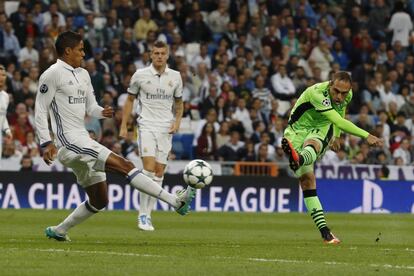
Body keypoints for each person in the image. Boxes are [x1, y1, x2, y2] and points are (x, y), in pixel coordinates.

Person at [35, 31, 195, 242]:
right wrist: (46, 142)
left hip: (82, 140)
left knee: (100, 199)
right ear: (67, 51)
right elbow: (40, 108)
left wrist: (102, 112)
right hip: (68, 142)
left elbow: (90, 107)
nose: (84, 53)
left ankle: (60, 230)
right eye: (81, 49)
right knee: (125, 165)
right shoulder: (52, 74)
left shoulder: (83, 74)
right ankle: (175, 201)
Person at [281, 71, 383, 244]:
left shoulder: (346, 95)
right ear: (330, 85)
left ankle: (325, 233)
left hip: (321, 126)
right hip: (296, 130)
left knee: (313, 144)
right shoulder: (317, 93)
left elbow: (340, 112)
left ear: (349, 90)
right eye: (336, 91)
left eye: (344, 93)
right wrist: (367, 135)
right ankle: (300, 158)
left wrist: (335, 135)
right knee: (307, 181)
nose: (340, 96)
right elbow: (341, 120)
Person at [119, 40, 184, 231]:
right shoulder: (140, 75)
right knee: (148, 169)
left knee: (159, 172)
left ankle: (149, 214)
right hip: (146, 125)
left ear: (168, 55)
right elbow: (129, 100)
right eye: (156, 53)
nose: (159, 56)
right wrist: (124, 125)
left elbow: (179, 103)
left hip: (165, 128)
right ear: (150, 55)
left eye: (162, 53)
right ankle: (142, 215)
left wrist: (177, 123)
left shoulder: (176, 77)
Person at [0, 65, 13, 160]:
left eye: (3, 75)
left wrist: (7, 130)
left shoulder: (5, 96)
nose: (1, 77)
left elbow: (2, 116)